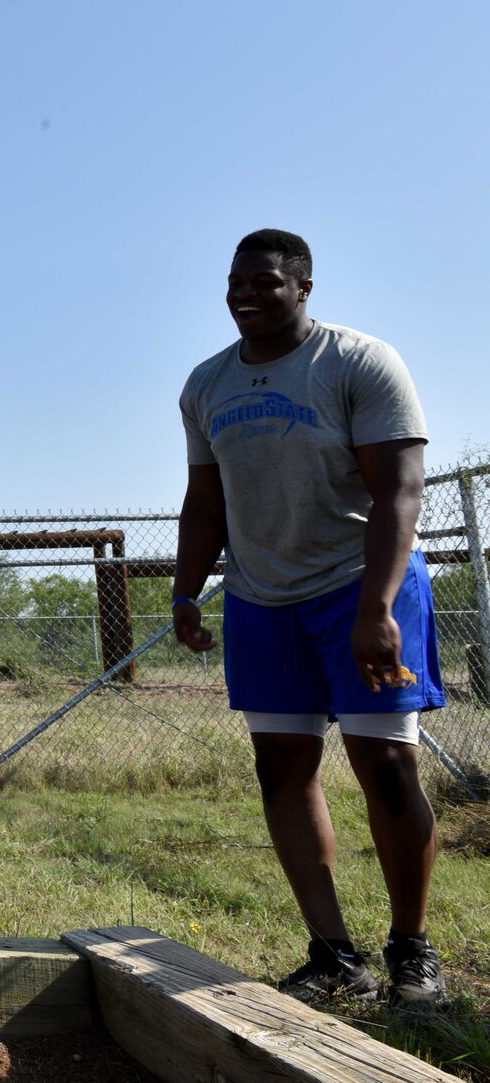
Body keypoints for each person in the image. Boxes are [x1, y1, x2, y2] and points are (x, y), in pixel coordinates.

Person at [172, 228, 447, 1005]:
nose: (245, 294)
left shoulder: (360, 363)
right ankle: (333, 953)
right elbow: (205, 501)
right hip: (262, 601)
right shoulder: (206, 384)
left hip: (360, 589)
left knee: (386, 767)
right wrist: (187, 592)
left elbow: (399, 491)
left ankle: (411, 950)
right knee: (282, 770)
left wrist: (379, 607)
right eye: (235, 282)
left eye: (264, 281)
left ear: (304, 287)